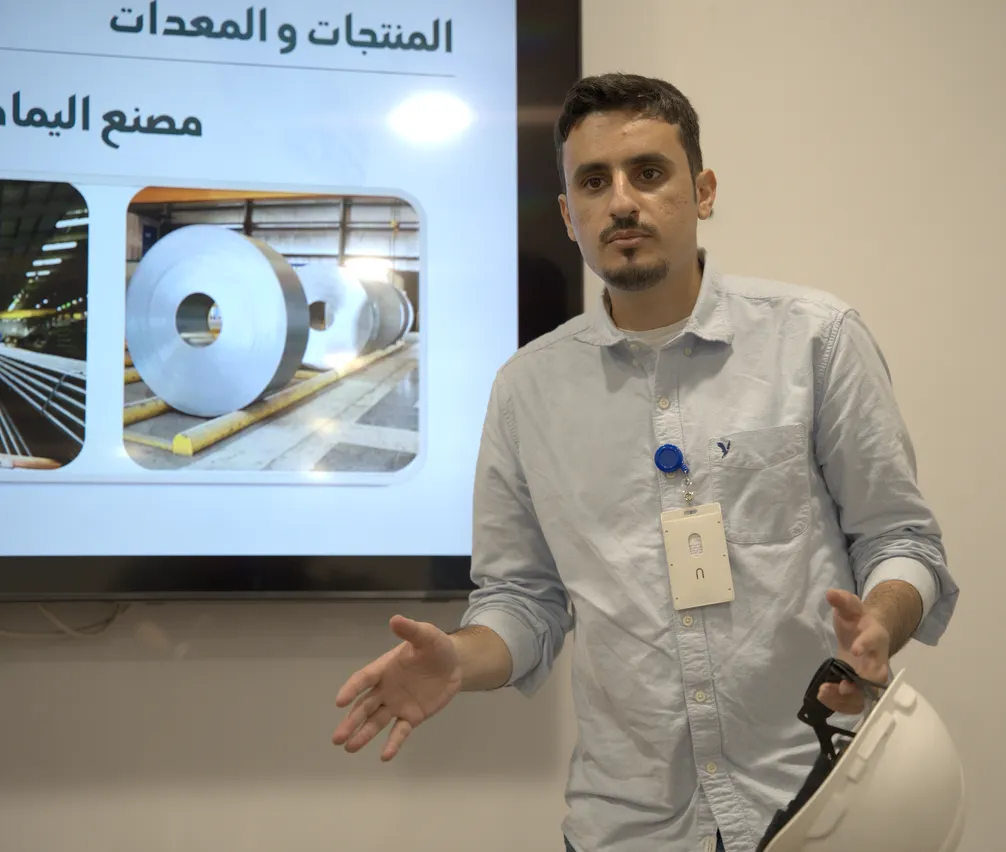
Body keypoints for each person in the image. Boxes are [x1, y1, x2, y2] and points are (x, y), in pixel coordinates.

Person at [332, 72, 960, 852]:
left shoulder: (815, 340)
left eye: (649, 172)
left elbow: (901, 539)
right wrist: (460, 658)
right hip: (629, 825)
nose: (622, 201)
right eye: (594, 182)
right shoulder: (526, 390)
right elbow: (524, 600)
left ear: (703, 191)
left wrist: (881, 622)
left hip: (819, 800)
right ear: (569, 215)